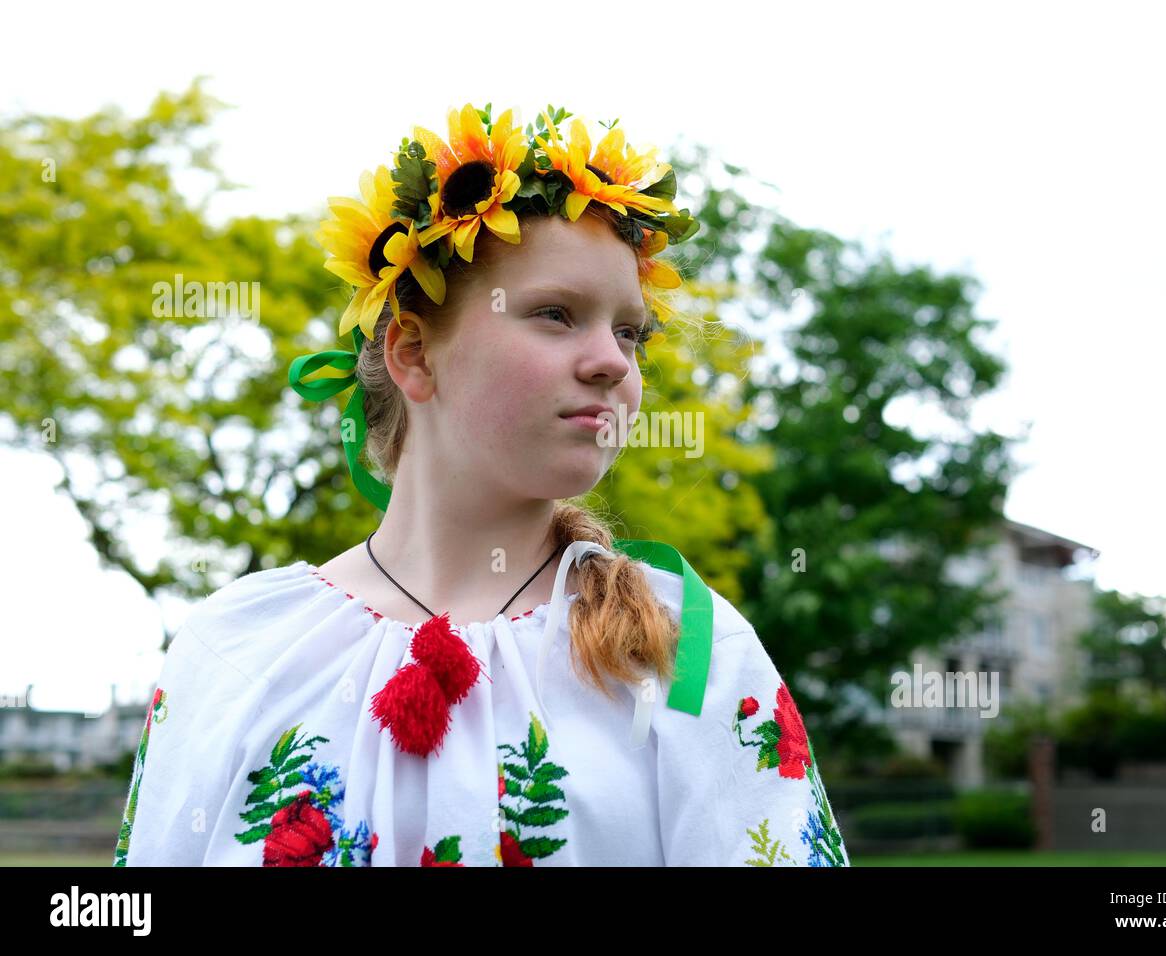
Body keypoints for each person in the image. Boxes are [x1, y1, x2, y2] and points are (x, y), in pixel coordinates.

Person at [114, 104, 849, 867]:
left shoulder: (684, 647)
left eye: (630, 331)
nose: (613, 362)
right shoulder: (236, 644)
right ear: (414, 352)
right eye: (557, 315)